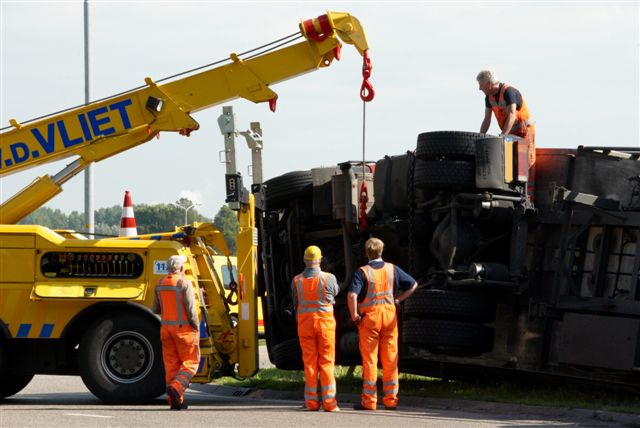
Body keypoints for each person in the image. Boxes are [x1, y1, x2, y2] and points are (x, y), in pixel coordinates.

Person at [348, 237, 417, 411]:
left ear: (367, 252)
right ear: (381, 251)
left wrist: (355, 315)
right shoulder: (392, 269)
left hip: (370, 319)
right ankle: (391, 400)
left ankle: (369, 401)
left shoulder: (362, 272)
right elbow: (414, 285)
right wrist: (398, 299)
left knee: (370, 360)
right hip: (389, 317)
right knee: (390, 359)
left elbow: (352, 296)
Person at [291, 245, 340, 412]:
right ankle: (329, 404)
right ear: (320, 260)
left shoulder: (296, 280)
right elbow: (335, 293)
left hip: (305, 325)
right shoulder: (329, 278)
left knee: (310, 363)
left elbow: (295, 301)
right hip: (324, 325)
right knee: (326, 362)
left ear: (305, 260)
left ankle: (311, 403)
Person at [152, 254, 200, 410]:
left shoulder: (159, 283)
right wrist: (196, 326)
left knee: (172, 366)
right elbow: (191, 309)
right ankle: (177, 387)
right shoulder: (184, 283)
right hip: (184, 331)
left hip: (166, 330)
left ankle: (175, 402)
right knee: (191, 362)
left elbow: (155, 309)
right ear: (181, 268)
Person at [477, 69, 536, 168]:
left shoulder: (508, 91)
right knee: (509, 163)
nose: (479, 88)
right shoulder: (488, 97)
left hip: (525, 132)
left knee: (525, 163)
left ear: (489, 84)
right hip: (509, 133)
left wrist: (503, 135)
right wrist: (480, 137)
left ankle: (530, 184)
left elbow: (512, 115)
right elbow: (487, 119)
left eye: (481, 85)